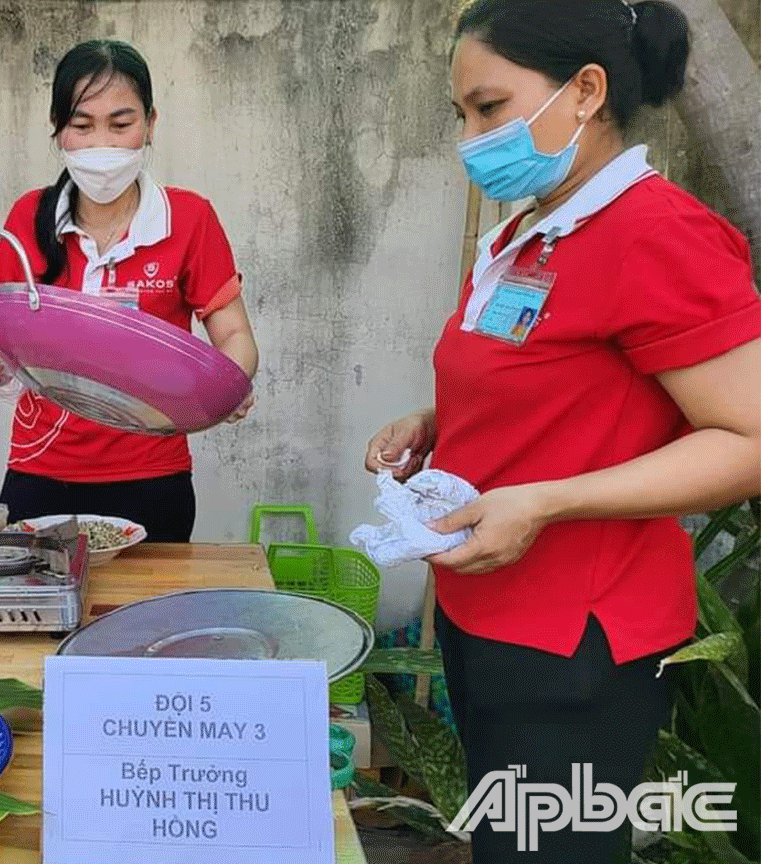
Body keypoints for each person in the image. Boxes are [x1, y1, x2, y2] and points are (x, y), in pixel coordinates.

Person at [365, 2, 760, 861]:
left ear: (586, 91)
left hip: (575, 641)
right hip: (487, 612)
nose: (471, 136)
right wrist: (436, 421)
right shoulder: (532, 230)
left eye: (491, 108)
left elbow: (749, 439)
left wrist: (545, 500)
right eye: (463, 114)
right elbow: (547, 374)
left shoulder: (658, 235)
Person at [0, 40, 259, 543]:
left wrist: (228, 384)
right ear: (58, 128)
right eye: (82, 126)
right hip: (41, 471)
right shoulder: (28, 217)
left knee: (147, 618)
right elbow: (6, 343)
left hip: (153, 475)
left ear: (150, 123)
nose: (101, 142)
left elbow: (234, 332)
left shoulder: (189, 219)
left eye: (120, 124)